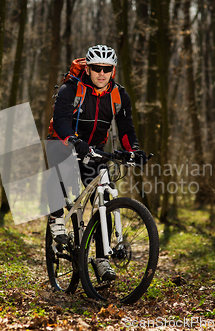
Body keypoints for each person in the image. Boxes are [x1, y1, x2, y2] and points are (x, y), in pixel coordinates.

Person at [47, 45, 147, 281]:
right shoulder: (70, 89)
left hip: (95, 149)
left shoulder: (119, 96)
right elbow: (61, 122)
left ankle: (102, 259)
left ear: (113, 70)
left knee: (104, 199)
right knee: (59, 168)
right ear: (88, 68)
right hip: (64, 141)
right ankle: (56, 218)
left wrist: (134, 151)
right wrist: (73, 140)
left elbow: (126, 130)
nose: (101, 73)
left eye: (107, 69)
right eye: (96, 68)